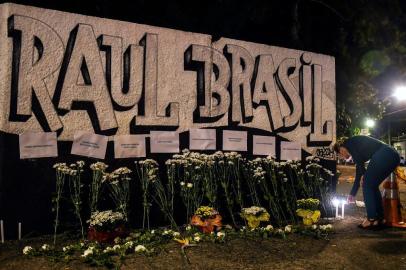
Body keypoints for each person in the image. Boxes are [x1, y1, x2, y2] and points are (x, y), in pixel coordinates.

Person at [333, 135, 400, 229]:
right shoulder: (355, 148)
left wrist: (364, 176)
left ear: (341, 148)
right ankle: (380, 218)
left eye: (339, 154)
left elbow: (361, 167)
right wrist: (352, 194)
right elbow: (358, 172)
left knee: (367, 185)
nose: (342, 157)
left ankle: (371, 219)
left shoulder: (349, 143)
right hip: (393, 156)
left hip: (384, 154)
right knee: (372, 185)